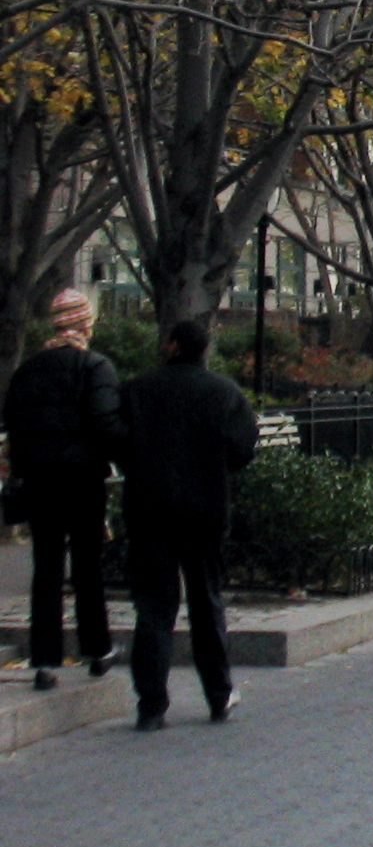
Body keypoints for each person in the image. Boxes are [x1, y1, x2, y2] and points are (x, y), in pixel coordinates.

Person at [112, 320, 258, 730]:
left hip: (150, 510)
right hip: (204, 510)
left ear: (172, 346)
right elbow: (243, 448)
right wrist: (212, 467)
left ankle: (152, 705)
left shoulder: (138, 391)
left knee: (154, 608)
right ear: (204, 350)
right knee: (206, 602)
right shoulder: (224, 393)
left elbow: (117, 440)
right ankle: (218, 693)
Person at [3, 287, 121, 691]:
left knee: (47, 568)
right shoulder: (95, 366)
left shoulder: (27, 371)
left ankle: (44, 659)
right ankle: (97, 649)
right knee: (87, 567)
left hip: (39, 480)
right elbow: (105, 423)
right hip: (84, 479)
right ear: (84, 324)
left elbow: (14, 427)